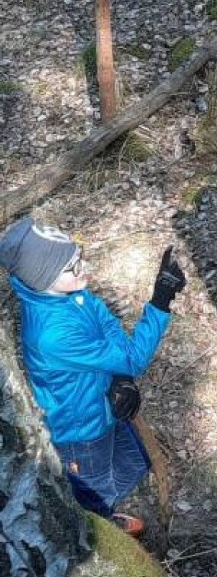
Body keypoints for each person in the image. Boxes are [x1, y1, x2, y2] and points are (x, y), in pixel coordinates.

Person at [0, 218, 186, 536]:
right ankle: (102, 528)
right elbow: (131, 357)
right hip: (80, 431)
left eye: (79, 256)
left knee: (135, 462)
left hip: (102, 404)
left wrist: (115, 375)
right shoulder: (53, 333)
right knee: (96, 491)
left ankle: (105, 509)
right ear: (43, 277)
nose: (84, 268)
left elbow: (106, 324)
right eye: (73, 266)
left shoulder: (72, 294)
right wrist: (160, 301)